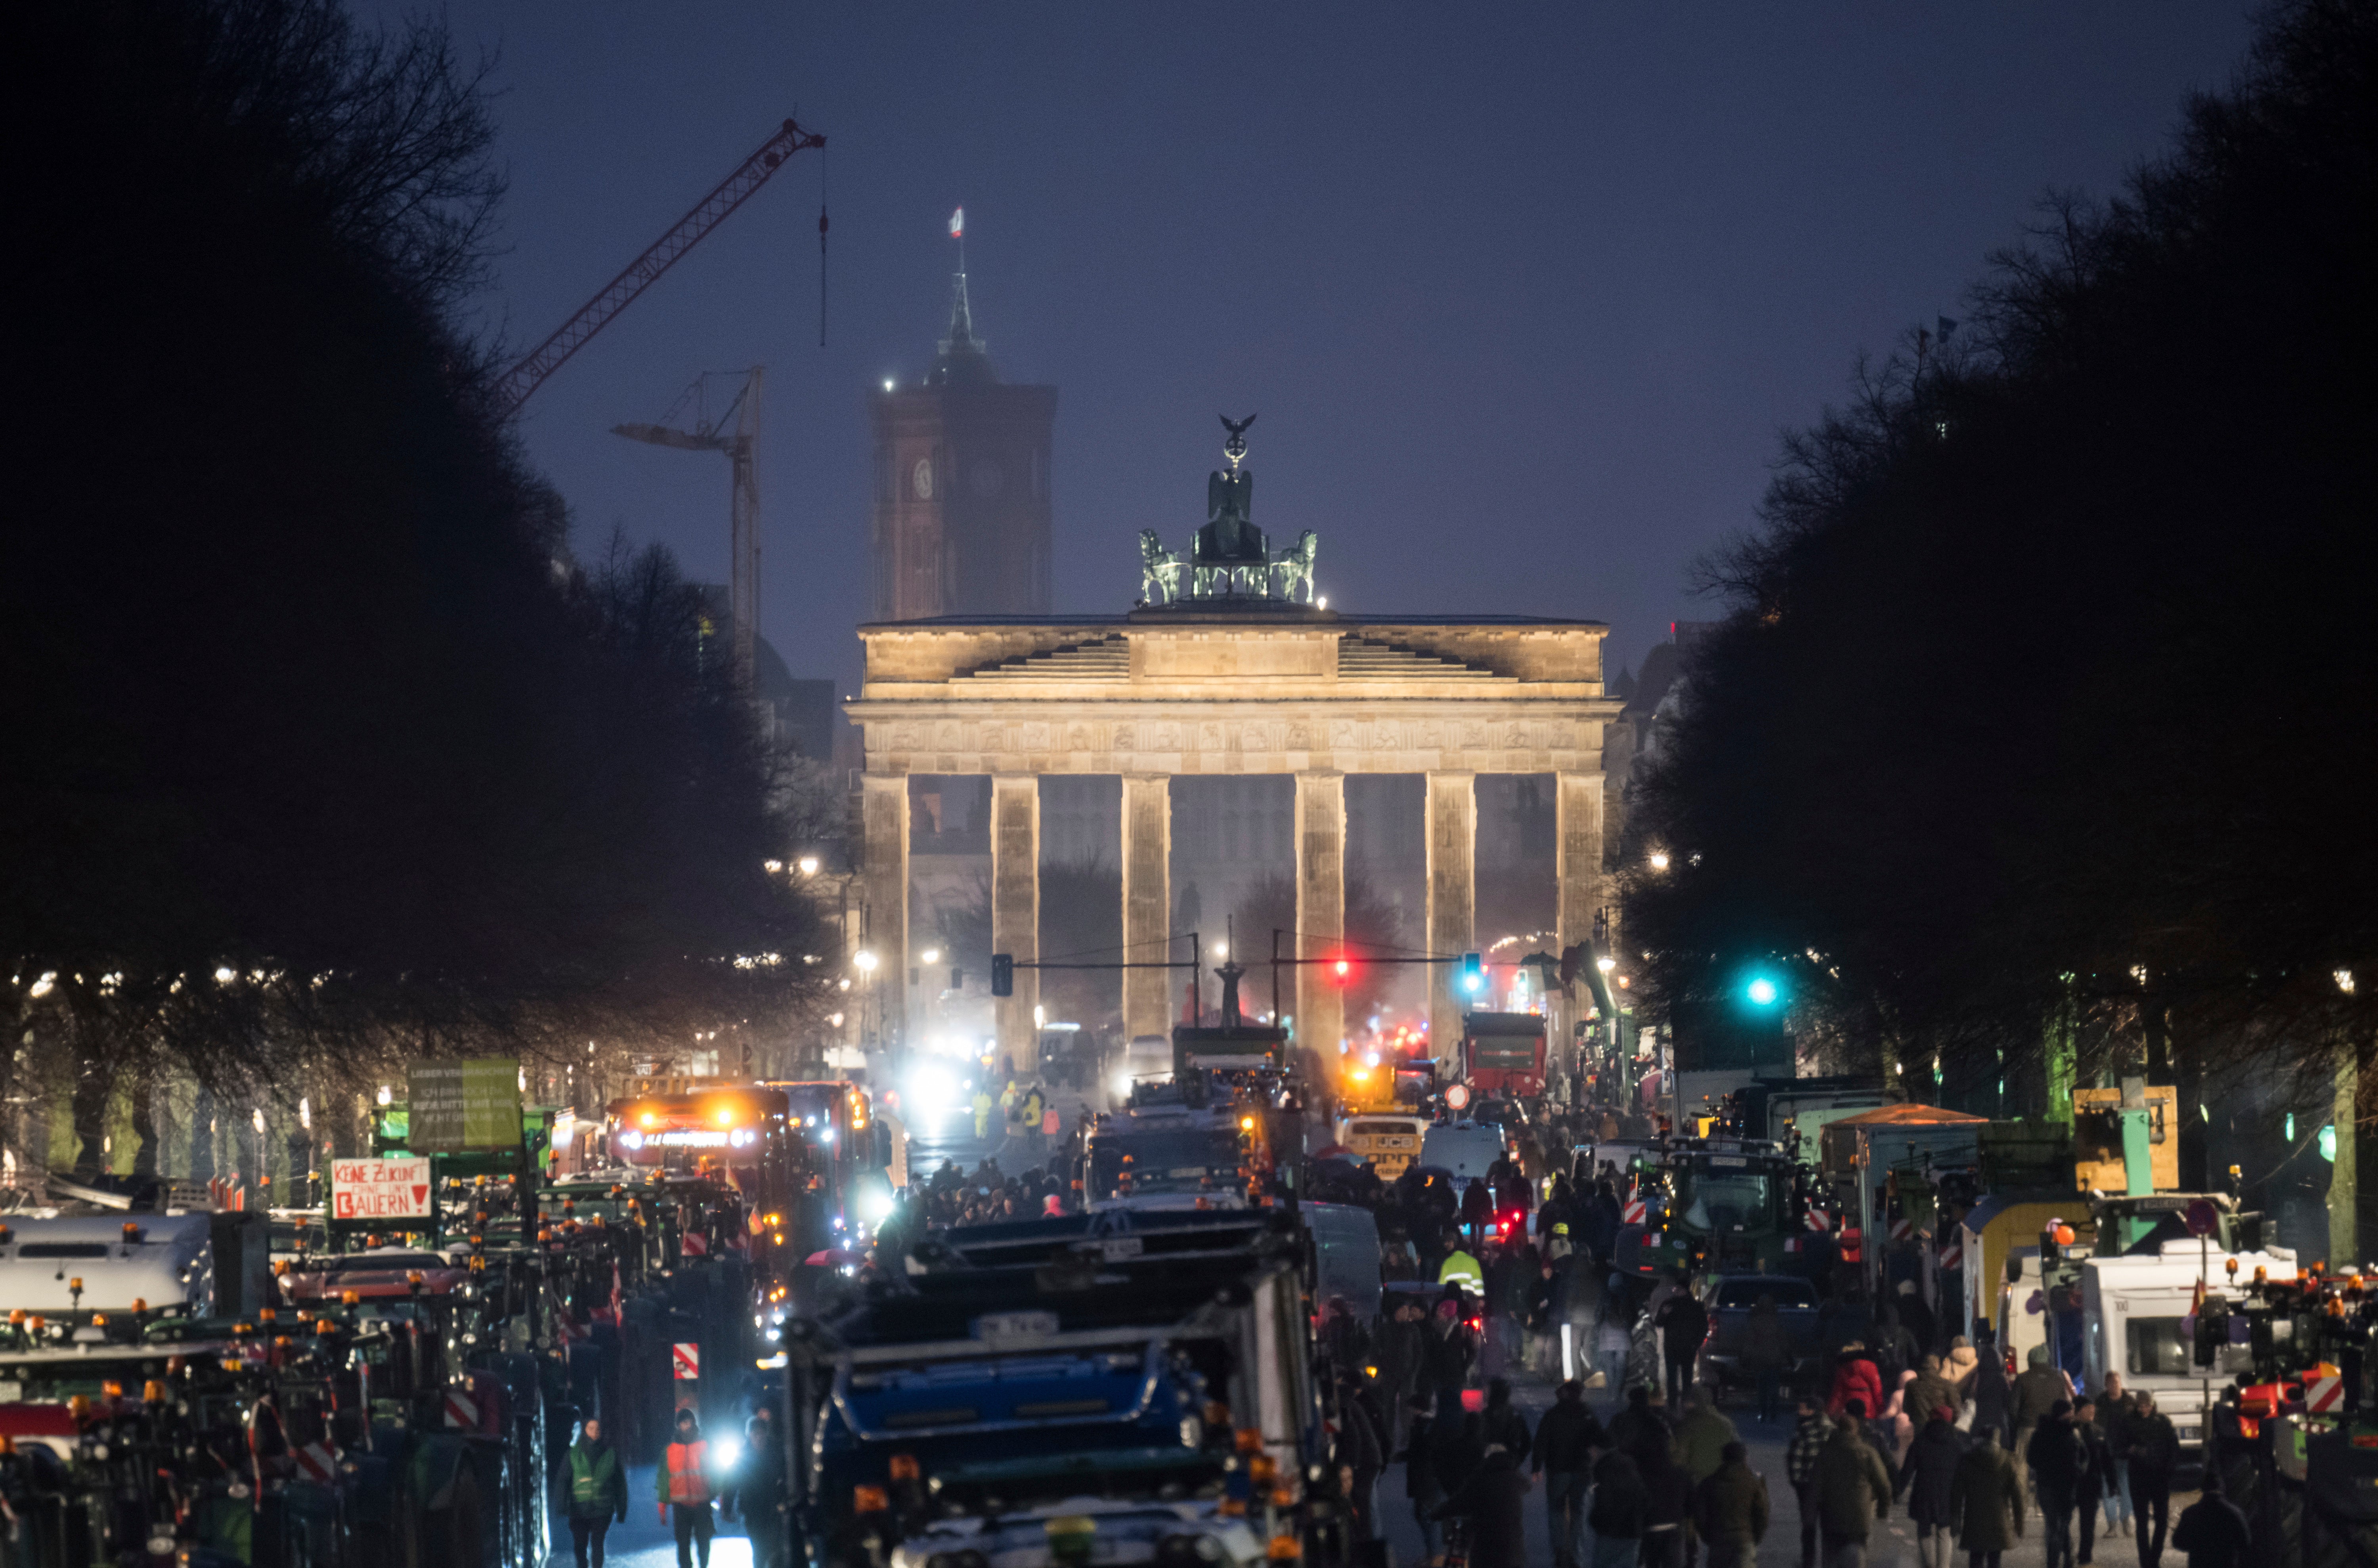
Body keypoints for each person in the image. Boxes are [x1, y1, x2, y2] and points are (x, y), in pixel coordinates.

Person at [1812, 1398, 1892, 1568]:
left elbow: (1815, 1487)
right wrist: (1882, 1511)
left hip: (1831, 1515)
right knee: (1857, 1556)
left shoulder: (1826, 1453)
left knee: (1830, 1556)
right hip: (1859, 1516)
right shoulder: (1867, 1453)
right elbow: (1884, 1484)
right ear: (1856, 1430)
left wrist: (1810, 1515)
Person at [1534, 1379, 1604, 1568]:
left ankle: (1559, 1553)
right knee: (1579, 1514)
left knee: (1556, 1512)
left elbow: (1541, 1440)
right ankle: (1576, 1556)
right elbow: (1600, 1438)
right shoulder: (1587, 1413)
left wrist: (1536, 1466)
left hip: (1557, 1470)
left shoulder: (1553, 1414)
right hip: (1582, 1471)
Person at [1431, 1442, 1530, 1568]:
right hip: (1514, 1550)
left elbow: (1458, 1503)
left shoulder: (1481, 1480)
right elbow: (1528, 1486)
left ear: (1487, 1458)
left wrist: (1436, 1513)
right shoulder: (1515, 1479)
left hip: (1487, 1550)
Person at [1671, 1383, 1738, 1566]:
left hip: (1695, 1484)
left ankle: (1692, 1557)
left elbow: (1678, 1458)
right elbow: (1735, 1452)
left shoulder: (1686, 1426)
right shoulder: (1725, 1423)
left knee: (1691, 1524)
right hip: (1720, 1483)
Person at [1896, 1406, 1963, 1568]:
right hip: (1947, 1493)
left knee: (1925, 1529)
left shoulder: (1920, 1441)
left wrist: (1896, 1490)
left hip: (1924, 1492)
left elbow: (1907, 1470)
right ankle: (1944, 1566)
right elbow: (1962, 1473)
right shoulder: (1956, 1443)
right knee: (1944, 1530)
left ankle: (1930, 1565)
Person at [1948, 1429, 2026, 1568]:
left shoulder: (1968, 1460)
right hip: (2000, 1522)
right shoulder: (2008, 1460)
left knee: (1976, 1560)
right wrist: (2019, 1524)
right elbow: (2017, 1495)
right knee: (1995, 1561)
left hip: (1974, 1521)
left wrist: (1955, 1520)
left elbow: (1957, 1493)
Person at [2026, 1399, 2090, 1568]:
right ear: (2064, 1413)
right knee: (2060, 1525)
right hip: (2066, 1485)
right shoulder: (2072, 1433)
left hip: (2048, 1484)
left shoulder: (2041, 1432)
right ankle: (2061, 1559)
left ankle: (2059, 1559)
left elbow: (2032, 1459)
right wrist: (2078, 1470)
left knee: (2055, 1524)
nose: (2074, 1414)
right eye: (2071, 1411)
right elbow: (2084, 1456)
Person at [1690, 1440, 1769, 1568]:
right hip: (1744, 1539)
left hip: (1719, 1540)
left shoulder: (1710, 1483)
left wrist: (1708, 1537)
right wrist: (1755, 1538)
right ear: (1744, 1458)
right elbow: (1762, 1513)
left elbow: (1700, 1514)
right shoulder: (1753, 1483)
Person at [2126, 1389, 2180, 1568]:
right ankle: (2147, 1561)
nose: (2144, 1409)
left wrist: (2169, 1469)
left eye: (2147, 1405)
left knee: (2162, 1521)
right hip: (2140, 1477)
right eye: (2141, 1406)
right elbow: (2120, 1444)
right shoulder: (2130, 1422)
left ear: (2153, 1405)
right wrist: (2132, 1450)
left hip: (2159, 1476)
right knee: (2142, 1523)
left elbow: (2173, 1448)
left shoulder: (2163, 1423)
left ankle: (2153, 1559)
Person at [658, 1409, 717, 1568]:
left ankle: (703, 1565)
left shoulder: (705, 1445)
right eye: (683, 1422)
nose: (686, 1425)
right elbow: (664, 1477)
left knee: (703, 1541)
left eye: (689, 1422)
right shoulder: (670, 1451)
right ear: (678, 1426)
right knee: (683, 1543)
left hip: (701, 1501)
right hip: (681, 1505)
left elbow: (715, 1471)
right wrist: (663, 1503)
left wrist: (719, 1493)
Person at [2010, 1346, 2072, 1496]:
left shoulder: (2023, 1379)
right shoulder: (2058, 1379)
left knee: (2022, 1467)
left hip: (2027, 1428)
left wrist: (2017, 1425)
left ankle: (2022, 1502)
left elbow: (2013, 1408)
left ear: (2031, 1360)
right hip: (2050, 1431)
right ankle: (2043, 1505)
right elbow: (2064, 1407)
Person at [566, 1418, 628, 1568]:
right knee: (580, 1547)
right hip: (579, 1508)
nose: (594, 1432)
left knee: (597, 1545)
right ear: (585, 1430)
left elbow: (620, 1484)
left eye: (598, 1429)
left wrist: (622, 1509)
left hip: (602, 1508)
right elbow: (564, 1479)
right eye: (591, 1428)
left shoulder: (609, 1454)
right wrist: (563, 1503)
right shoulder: (574, 1454)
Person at [1401, 1396, 1453, 1566]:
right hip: (1429, 1479)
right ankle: (1434, 1553)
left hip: (1427, 1480)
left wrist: (1405, 1456)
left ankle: (1435, 1555)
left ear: (1417, 1409)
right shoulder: (1426, 1425)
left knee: (1426, 1517)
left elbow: (1422, 1452)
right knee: (1424, 1515)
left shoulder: (1425, 1426)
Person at [1785, 1396, 1833, 1568]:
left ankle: (1809, 1561)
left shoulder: (1804, 1430)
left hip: (1807, 1486)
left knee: (1809, 1526)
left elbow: (1795, 1458)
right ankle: (1828, 1561)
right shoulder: (1834, 1430)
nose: (1799, 1412)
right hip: (1830, 1487)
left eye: (1803, 1409)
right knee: (1829, 1526)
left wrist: (1797, 1482)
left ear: (1812, 1411)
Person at [2168, 1469, 2251, 1568]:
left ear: (2203, 1488)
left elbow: (2179, 1542)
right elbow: (2245, 1542)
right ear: (2222, 1488)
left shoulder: (2191, 1513)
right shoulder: (2234, 1513)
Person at [738, 1409, 788, 1568]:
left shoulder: (777, 1452)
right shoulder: (743, 1455)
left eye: (761, 1433)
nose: (759, 1437)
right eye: (755, 1434)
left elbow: (786, 1475)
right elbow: (732, 1482)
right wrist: (726, 1507)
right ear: (749, 1435)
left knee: (775, 1549)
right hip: (752, 1511)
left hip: (773, 1508)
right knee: (759, 1550)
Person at [1654, 1278, 1711, 1408]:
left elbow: (1703, 1327)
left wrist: (1696, 1343)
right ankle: (1673, 1404)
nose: (1675, 1291)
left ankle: (1686, 1404)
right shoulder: (1669, 1304)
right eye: (1675, 1289)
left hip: (1687, 1348)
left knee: (1687, 1378)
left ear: (1684, 1290)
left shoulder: (1695, 1307)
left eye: (1678, 1289)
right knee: (1672, 1379)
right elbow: (1658, 1322)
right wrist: (1663, 1314)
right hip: (1672, 1347)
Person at [1637, 1442, 1695, 1568]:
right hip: (1673, 1527)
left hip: (1650, 1528)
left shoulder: (1642, 1475)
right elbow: (1691, 1503)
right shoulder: (1680, 1474)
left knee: (1652, 1564)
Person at [1588, 1445, 1646, 1568]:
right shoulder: (1636, 1475)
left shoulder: (1604, 1475)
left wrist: (1595, 1521)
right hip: (1633, 1532)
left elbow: (1603, 1505)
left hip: (1610, 1533)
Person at [2072, 1398, 2113, 1565]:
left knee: (2088, 1523)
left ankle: (2085, 1555)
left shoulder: (2099, 1432)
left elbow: (2107, 1460)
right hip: (2072, 1484)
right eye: (2088, 1409)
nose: (2092, 1412)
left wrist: (2112, 1483)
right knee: (2063, 1522)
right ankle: (2066, 1550)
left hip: (2091, 1484)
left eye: (2093, 1409)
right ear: (2079, 1411)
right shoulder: (2068, 1430)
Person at [1742, 1293, 1794, 1423]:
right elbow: (1784, 1343)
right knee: (1774, 1387)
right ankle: (1773, 1413)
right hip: (1775, 1360)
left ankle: (1764, 1413)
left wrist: (1746, 1358)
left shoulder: (1755, 1322)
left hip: (1759, 1359)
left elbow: (1749, 1341)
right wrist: (1790, 1359)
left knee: (1762, 1389)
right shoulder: (1777, 1322)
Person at [2097, 1371, 2136, 1542]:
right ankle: (2112, 1524)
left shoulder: (2129, 1402)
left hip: (2125, 1452)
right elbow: (2095, 1425)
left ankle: (2126, 1519)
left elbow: (2137, 1426)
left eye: (2117, 1383)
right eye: (2111, 1383)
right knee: (2107, 1488)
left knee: (2126, 1486)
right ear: (2106, 1385)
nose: (2114, 1386)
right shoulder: (2101, 1403)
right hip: (2107, 1453)